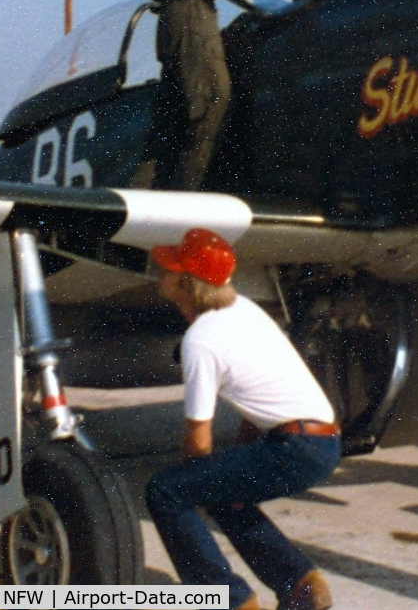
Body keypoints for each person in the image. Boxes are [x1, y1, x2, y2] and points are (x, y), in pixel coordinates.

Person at [144, 229, 339, 610]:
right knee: (224, 497)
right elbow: (261, 399)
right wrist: (215, 479)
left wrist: (194, 482)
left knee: (165, 492)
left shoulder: (200, 339)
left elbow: (198, 437)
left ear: (186, 282)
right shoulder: (244, 310)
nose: (159, 273)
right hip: (321, 441)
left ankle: (230, 602)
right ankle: (302, 585)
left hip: (296, 446)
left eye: (168, 269)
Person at [140, 0, 257, 191]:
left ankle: (147, 194)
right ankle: (187, 198)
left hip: (168, 26)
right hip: (195, 21)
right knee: (212, 102)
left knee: (170, 117)